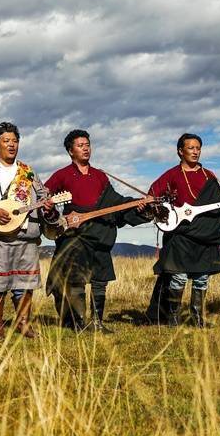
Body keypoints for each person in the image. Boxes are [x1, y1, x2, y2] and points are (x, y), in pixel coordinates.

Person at [45, 129, 147, 333]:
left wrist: (138, 204)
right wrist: (50, 211)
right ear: (70, 150)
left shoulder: (100, 176)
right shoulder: (62, 175)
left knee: (100, 279)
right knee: (76, 280)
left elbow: (114, 201)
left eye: (87, 144)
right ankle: (79, 323)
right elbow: (44, 198)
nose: (85, 148)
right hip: (75, 235)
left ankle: (98, 322)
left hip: (101, 233)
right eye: (80, 145)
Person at [0, 122, 60, 339]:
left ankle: (23, 322)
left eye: (15, 141)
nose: (11, 145)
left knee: (25, 283)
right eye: (6, 141)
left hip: (26, 236)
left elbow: (42, 195)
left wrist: (48, 205)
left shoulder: (27, 172)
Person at [146, 133, 220, 327]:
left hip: (206, 235)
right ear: (180, 151)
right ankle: (173, 318)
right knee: (178, 277)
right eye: (191, 148)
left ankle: (197, 317)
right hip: (181, 235)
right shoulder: (172, 174)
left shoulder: (209, 175)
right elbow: (152, 194)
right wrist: (159, 209)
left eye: (198, 148)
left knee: (201, 278)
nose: (195, 152)